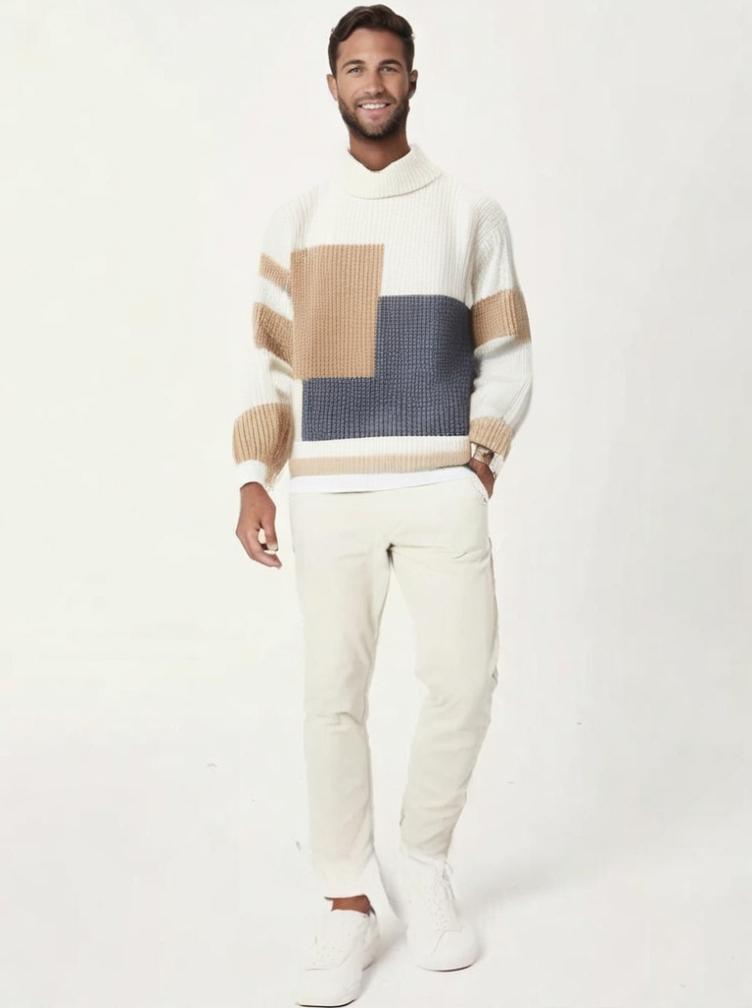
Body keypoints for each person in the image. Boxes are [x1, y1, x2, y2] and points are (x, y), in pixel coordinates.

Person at [233, 5, 533, 1004]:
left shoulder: (468, 213)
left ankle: (423, 858)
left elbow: (506, 354)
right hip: (328, 492)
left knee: (464, 684)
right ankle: (346, 900)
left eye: (389, 66)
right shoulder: (300, 218)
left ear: (412, 80)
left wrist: (477, 461)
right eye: (354, 67)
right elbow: (268, 363)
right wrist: (253, 474)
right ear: (331, 85)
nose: (372, 82)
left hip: (439, 487)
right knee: (333, 695)